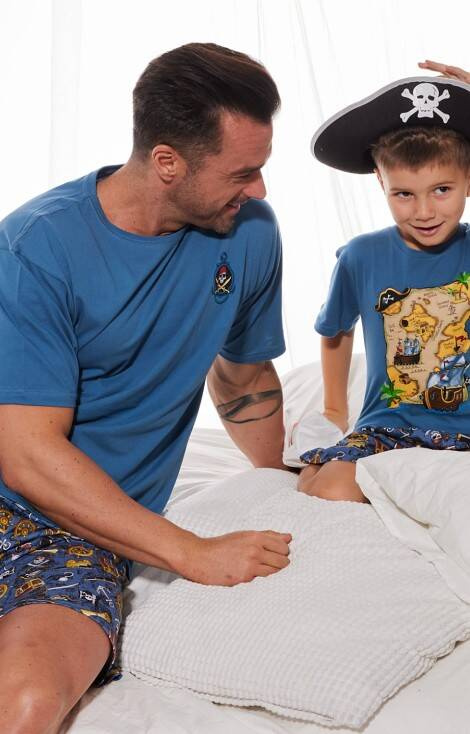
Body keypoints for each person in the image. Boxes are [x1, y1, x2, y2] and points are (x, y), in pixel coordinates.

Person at [0, 43, 293, 733]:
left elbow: (243, 375)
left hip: (73, 533)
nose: (258, 190)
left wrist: (281, 479)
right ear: (167, 162)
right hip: (22, 486)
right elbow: (25, 453)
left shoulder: (249, 234)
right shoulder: (34, 246)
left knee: (27, 705)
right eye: (242, 172)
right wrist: (190, 550)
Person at [297, 70, 470, 503]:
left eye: (442, 190)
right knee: (329, 491)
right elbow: (336, 331)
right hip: (389, 426)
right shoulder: (361, 256)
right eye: (404, 194)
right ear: (380, 181)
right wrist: (335, 409)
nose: (425, 211)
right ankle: (317, 461)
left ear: (468, 179)